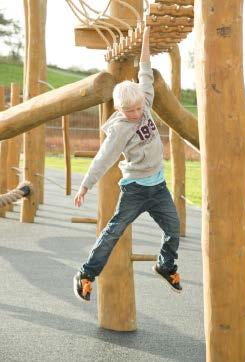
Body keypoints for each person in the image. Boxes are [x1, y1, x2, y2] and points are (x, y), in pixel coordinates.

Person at [73, 26, 181, 302]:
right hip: (135, 190)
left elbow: (145, 66)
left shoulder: (143, 100)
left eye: (137, 109)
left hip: (158, 187)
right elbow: (103, 158)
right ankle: (86, 275)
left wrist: (146, 37)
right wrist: (85, 186)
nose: (135, 114)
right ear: (120, 110)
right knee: (113, 232)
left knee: (173, 228)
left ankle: (165, 266)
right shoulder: (120, 129)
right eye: (129, 111)